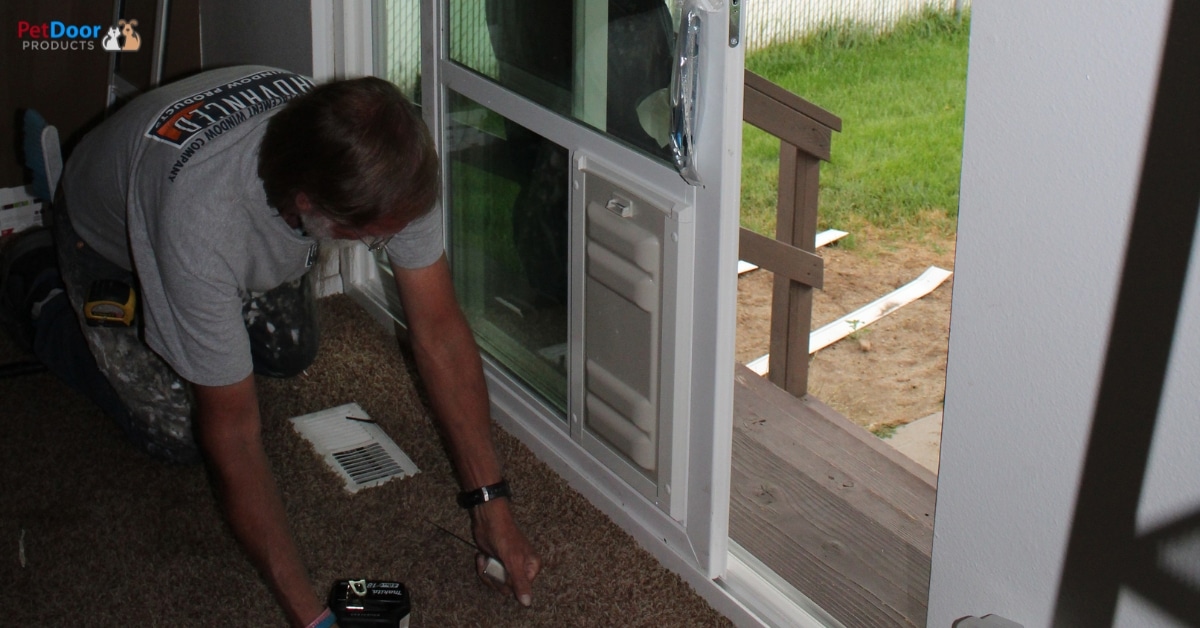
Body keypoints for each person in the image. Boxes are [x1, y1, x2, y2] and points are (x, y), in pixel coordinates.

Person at [2, 66, 540, 627]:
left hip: (211, 201)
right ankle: (36, 283)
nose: (387, 244)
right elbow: (233, 433)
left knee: (290, 353)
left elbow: (440, 333)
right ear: (309, 205)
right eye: (375, 237)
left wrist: (490, 501)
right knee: (181, 431)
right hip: (106, 236)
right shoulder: (200, 222)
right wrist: (312, 618)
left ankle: (196, 307)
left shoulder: (389, 161)